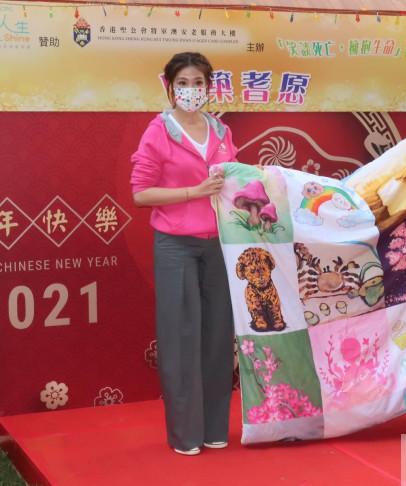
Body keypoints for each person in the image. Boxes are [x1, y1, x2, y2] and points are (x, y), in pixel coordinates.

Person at [130, 52, 237, 455]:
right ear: (170, 87)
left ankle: (214, 428)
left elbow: (233, 182)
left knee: (218, 336)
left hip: (218, 245)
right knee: (180, 337)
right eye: (183, 83)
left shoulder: (221, 131)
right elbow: (141, 194)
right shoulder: (158, 131)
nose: (191, 91)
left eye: (198, 83)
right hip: (175, 245)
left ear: (209, 87)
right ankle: (185, 435)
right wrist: (194, 192)